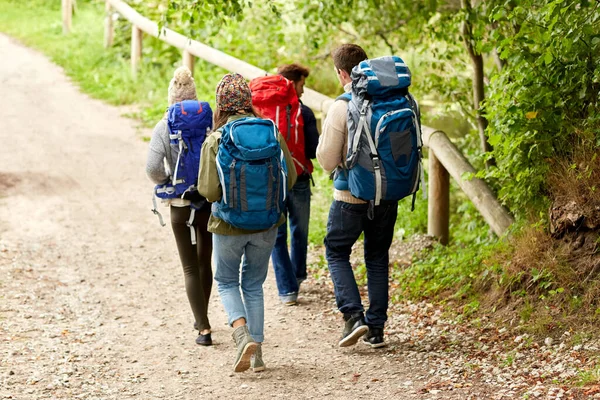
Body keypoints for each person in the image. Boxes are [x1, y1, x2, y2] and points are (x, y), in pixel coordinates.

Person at [198, 73, 297, 372]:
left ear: (221, 105)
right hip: (267, 224)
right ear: (248, 102)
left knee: (227, 281)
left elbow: (209, 191)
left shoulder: (216, 139)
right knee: (253, 285)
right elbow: (289, 178)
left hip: (229, 225)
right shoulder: (272, 132)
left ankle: (241, 335)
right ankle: (258, 355)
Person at [316, 44, 397, 349]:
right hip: (387, 195)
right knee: (376, 257)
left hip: (350, 196)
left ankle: (353, 317)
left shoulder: (342, 105)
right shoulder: (391, 97)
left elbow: (325, 160)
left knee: (336, 251)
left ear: (342, 73)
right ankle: (376, 330)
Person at [145, 66, 213, 346]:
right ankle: (203, 316)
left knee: (188, 268)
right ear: (194, 97)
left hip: (179, 203)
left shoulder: (164, 126)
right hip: (207, 200)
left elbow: (151, 168)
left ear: (171, 98)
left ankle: (203, 328)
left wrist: (167, 180)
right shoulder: (210, 122)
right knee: (204, 262)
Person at [270, 63, 320, 306]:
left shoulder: (262, 109)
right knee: (299, 231)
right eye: (302, 85)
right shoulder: (305, 112)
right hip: (298, 179)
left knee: (277, 235)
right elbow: (313, 149)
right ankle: (297, 276)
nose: (303, 91)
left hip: (270, 181)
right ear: (293, 83)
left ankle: (287, 290)